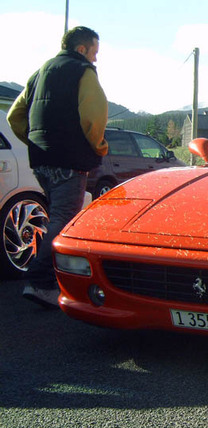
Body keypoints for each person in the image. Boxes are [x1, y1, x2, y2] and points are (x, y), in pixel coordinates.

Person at [7, 26, 108, 309]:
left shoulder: (40, 72)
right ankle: (40, 282)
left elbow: (15, 116)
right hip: (70, 160)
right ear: (81, 50)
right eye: (94, 53)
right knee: (64, 221)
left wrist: (35, 142)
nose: (95, 59)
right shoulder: (83, 71)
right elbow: (93, 117)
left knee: (55, 218)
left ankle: (50, 280)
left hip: (41, 161)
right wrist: (99, 147)